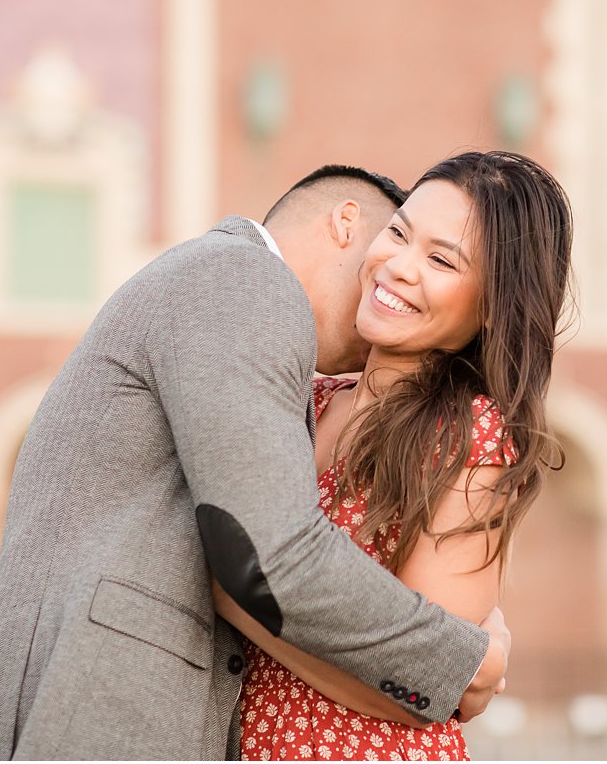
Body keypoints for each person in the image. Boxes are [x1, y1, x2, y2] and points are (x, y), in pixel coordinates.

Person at [0, 165, 510, 761]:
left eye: (441, 261)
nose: (386, 287)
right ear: (346, 225)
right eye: (395, 239)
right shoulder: (247, 280)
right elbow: (268, 554)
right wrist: (465, 660)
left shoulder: (226, 305)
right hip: (92, 705)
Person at [216, 151, 574, 761]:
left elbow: (420, 687)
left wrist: (237, 594)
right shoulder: (307, 397)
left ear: (491, 306)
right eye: (400, 233)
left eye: (440, 260)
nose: (398, 267)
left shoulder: (467, 436)